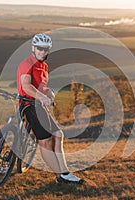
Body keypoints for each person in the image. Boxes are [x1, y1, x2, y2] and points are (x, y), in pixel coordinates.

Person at [17, 33, 84, 184]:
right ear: (33, 48)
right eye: (39, 48)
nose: (42, 51)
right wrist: (40, 97)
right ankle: (62, 175)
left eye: (45, 49)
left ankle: (64, 173)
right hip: (28, 104)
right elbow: (26, 86)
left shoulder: (44, 66)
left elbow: (42, 87)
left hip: (39, 106)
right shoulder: (26, 63)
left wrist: (48, 93)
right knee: (45, 141)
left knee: (58, 135)